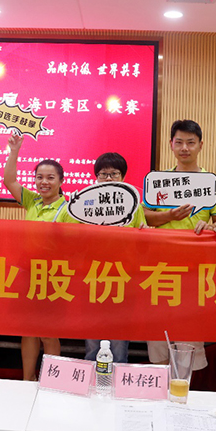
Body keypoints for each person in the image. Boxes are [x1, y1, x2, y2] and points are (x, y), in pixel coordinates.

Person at [143, 120, 216, 373]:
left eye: (190, 142)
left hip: (193, 271)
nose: (185, 148)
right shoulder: (158, 180)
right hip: (160, 269)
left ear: (200, 145)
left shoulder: (212, 182)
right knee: (158, 339)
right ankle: (160, 391)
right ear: (171, 145)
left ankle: (182, 393)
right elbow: (145, 217)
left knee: (188, 341)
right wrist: (169, 216)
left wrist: (210, 226)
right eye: (179, 142)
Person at [71, 152, 146, 364]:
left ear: (123, 177)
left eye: (114, 174)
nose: (109, 178)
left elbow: (142, 243)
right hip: (92, 277)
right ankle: (93, 378)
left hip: (123, 278)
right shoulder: (83, 205)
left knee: (119, 340)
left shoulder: (134, 206)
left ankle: (117, 376)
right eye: (103, 174)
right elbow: (70, 236)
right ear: (96, 177)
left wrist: (145, 233)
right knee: (93, 340)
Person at [3, 132, 67, 380]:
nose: (44, 182)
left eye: (50, 178)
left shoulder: (68, 209)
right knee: (28, 331)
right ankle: (27, 380)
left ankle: (53, 381)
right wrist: (14, 151)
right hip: (28, 276)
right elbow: (9, 181)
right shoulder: (33, 202)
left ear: (61, 181)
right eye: (39, 177)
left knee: (48, 334)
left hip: (54, 278)